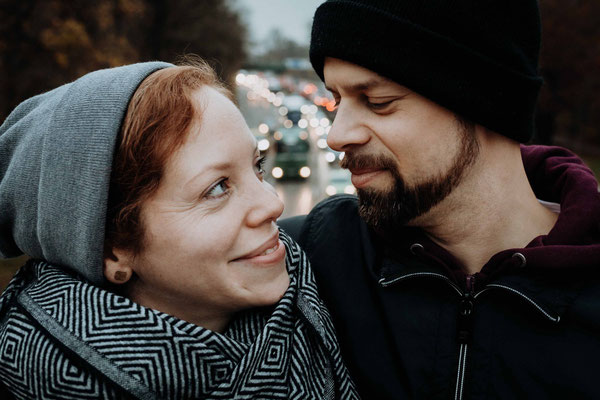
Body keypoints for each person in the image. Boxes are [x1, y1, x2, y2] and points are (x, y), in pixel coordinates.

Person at [280, 0, 600, 399]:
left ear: (483, 100)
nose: (336, 135)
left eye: (378, 102)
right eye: (338, 101)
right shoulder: (307, 258)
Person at [0, 61, 359, 399]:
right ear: (113, 249)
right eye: (217, 187)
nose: (273, 205)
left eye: (257, 166)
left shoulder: (333, 294)